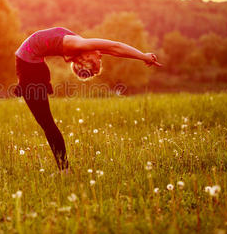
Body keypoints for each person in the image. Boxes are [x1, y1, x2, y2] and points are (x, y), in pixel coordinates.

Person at [14, 27, 161, 171]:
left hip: (32, 68)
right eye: (99, 58)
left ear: (87, 57)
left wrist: (143, 56)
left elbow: (115, 48)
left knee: (48, 124)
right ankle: (64, 170)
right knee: (47, 124)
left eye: (98, 60)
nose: (100, 56)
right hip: (31, 68)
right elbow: (115, 48)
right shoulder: (80, 45)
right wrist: (143, 56)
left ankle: (64, 170)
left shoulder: (80, 45)